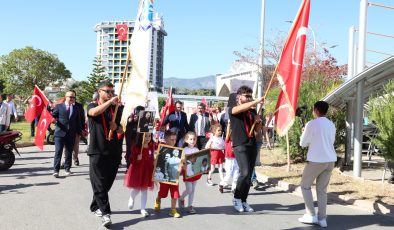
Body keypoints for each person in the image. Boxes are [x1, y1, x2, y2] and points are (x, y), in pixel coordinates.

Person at [87, 81, 123, 227]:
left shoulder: (117, 109)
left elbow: (121, 130)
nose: (110, 94)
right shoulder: (92, 105)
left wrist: (117, 127)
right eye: (107, 91)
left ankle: (96, 206)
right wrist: (110, 103)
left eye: (112, 91)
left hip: (113, 150)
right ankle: (106, 213)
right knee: (99, 182)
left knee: (106, 183)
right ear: (99, 91)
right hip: (97, 150)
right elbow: (94, 113)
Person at [298, 101, 337, 228]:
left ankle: (310, 214)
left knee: (305, 185)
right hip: (330, 160)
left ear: (315, 110)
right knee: (322, 190)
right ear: (326, 111)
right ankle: (322, 219)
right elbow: (330, 141)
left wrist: (304, 132)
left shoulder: (311, 124)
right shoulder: (331, 124)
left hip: (316, 160)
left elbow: (303, 143)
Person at [229, 85, 264, 213]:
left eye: (251, 95)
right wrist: (256, 101)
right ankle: (236, 198)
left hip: (252, 144)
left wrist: (258, 122)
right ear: (239, 97)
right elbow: (239, 109)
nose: (249, 98)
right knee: (244, 172)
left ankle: (244, 200)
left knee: (249, 176)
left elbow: (257, 131)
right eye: (247, 96)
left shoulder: (252, 111)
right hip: (240, 144)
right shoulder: (233, 108)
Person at [51, 90, 82, 178]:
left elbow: (78, 121)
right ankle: (56, 170)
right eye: (70, 97)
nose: (72, 98)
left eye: (73, 97)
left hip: (71, 133)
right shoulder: (59, 106)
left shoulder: (76, 108)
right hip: (60, 133)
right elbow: (54, 116)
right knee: (58, 152)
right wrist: (53, 120)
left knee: (69, 152)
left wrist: (79, 132)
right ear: (66, 97)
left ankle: (67, 169)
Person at [124, 132, 155, 218]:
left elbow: (152, 158)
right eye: (146, 136)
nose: (148, 138)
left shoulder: (151, 147)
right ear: (141, 137)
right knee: (137, 189)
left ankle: (143, 208)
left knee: (144, 190)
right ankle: (132, 197)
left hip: (147, 171)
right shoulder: (136, 148)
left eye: (149, 136)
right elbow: (131, 160)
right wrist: (137, 158)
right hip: (138, 171)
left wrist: (154, 162)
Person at [154, 130, 182, 218]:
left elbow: (182, 162)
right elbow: (156, 163)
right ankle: (158, 199)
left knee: (175, 192)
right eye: (172, 140)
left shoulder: (178, 151)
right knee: (163, 193)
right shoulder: (162, 149)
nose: (174, 142)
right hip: (164, 176)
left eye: (175, 140)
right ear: (166, 140)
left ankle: (173, 209)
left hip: (174, 176)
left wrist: (182, 165)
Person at [179, 131, 201, 214]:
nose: (192, 141)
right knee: (189, 189)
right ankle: (181, 198)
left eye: (194, 139)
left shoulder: (197, 149)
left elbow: (199, 160)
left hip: (195, 172)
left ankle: (190, 206)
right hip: (187, 172)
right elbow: (182, 161)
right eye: (190, 139)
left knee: (193, 190)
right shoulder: (184, 150)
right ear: (186, 140)